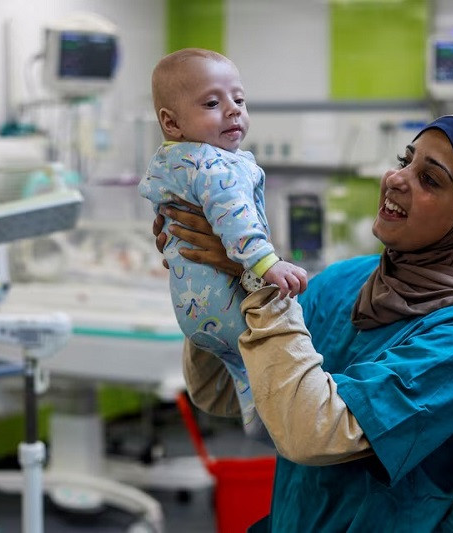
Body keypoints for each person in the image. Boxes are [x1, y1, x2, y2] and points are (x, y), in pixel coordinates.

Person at [154, 115, 453, 532]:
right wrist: (211, 280)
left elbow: (312, 431)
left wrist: (252, 280)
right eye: (404, 160)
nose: (396, 178)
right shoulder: (347, 279)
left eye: (430, 179)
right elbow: (229, 393)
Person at [139, 48, 308, 438]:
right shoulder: (211, 165)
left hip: (195, 307)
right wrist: (268, 265)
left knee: (242, 368)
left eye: (239, 99)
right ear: (171, 122)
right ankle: (265, 422)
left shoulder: (173, 161)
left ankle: (256, 415)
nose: (233, 110)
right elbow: (236, 220)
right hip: (225, 301)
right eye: (213, 103)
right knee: (268, 367)